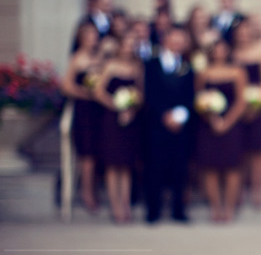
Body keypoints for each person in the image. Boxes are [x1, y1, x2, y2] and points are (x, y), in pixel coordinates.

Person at [143, 26, 196, 224]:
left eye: (182, 40)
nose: (178, 43)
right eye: (175, 39)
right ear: (166, 40)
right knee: (154, 166)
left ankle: (179, 210)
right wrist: (164, 115)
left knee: (180, 167)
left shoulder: (187, 66)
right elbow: (149, 93)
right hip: (156, 124)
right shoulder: (151, 64)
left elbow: (190, 95)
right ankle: (153, 211)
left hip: (180, 125)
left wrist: (180, 116)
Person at [194, 39, 248, 223]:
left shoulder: (237, 72)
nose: (219, 52)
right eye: (216, 49)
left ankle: (229, 208)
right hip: (208, 125)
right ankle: (215, 207)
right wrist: (212, 118)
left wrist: (226, 122)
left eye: (223, 49)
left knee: (232, 167)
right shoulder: (203, 73)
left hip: (232, 125)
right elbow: (199, 99)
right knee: (211, 168)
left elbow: (241, 101)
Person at [94, 31, 144, 224]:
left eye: (132, 45)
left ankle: (126, 205)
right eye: (125, 44)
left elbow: (140, 93)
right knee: (113, 164)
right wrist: (117, 106)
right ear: (119, 46)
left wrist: (131, 108)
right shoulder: (110, 65)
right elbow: (98, 92)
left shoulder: (137, 67)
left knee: (126, 164)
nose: (128, 49)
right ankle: (115, 206)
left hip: (130, 120)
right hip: (112, 120)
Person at [61, 22, 104, 213]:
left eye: (94, 35)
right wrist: (86, 93)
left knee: (98, 152)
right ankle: (87, 193)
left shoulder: (101, 57)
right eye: (88, 36)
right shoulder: (77, 59)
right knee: (87, 155)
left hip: (100, 110)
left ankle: (96, 189)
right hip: (85, 110)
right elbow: (67, 86)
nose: (92, 39)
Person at [232, 17, 261, 209]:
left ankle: (258, 191)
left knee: (258, 152)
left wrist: (258, 103)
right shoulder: (232, 55)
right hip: (236, 110)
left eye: (246, 31)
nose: (244, 35)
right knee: (239, 151)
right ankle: (239, 191)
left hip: (258, 109)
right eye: (240, 32)